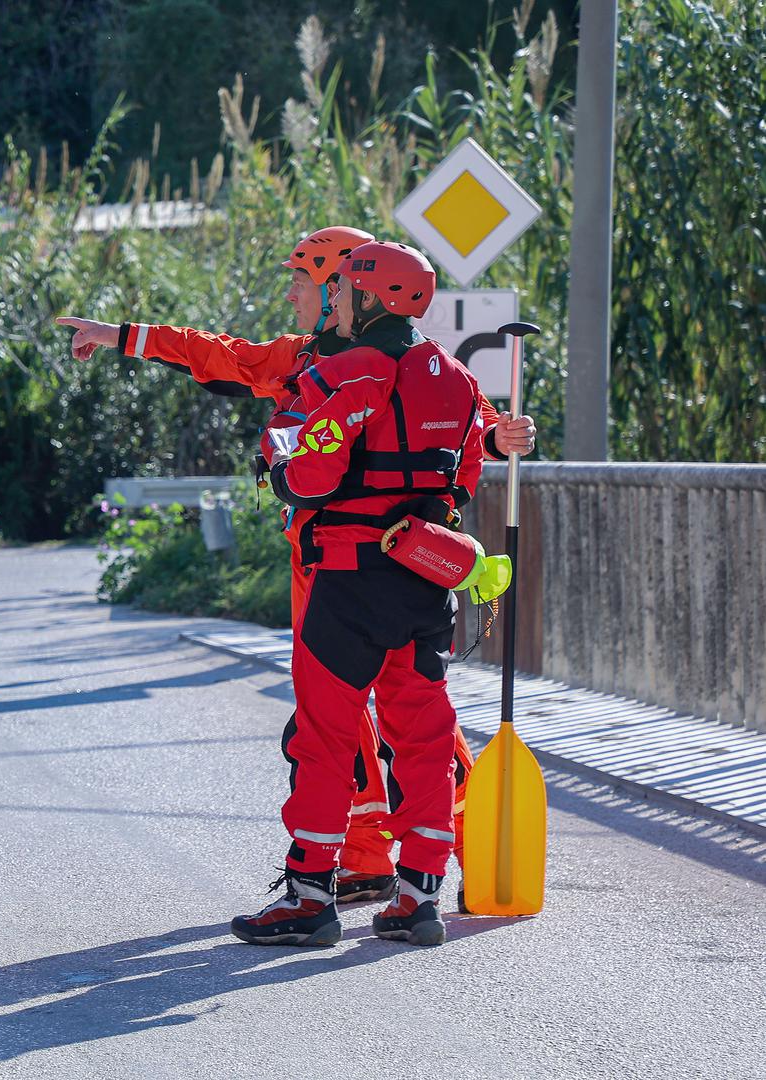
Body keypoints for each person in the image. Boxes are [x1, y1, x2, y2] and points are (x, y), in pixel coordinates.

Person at [58, 226, 536, 905]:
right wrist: (119, 334)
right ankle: (374, 860)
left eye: (309, 282)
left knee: (366, 723)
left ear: (350, 286)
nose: (297, 293)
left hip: (355, 560)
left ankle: (432, 857)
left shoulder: (365, 368)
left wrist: (498, 433)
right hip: (333, 558)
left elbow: (469, 423)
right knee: (372, 721)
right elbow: (213, 354)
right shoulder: (304, 356)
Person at [235, 240, 485, 947]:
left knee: (324, 740)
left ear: (374, 299)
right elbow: (466, 470)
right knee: (426, 739)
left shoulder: (348, 373)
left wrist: (278, 468)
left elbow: (304, 473)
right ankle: (418, 897)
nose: (336, 300)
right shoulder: (459, 380)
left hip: (346, 584)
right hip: (423, 581)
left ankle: (309, 897)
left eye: (345, 290)